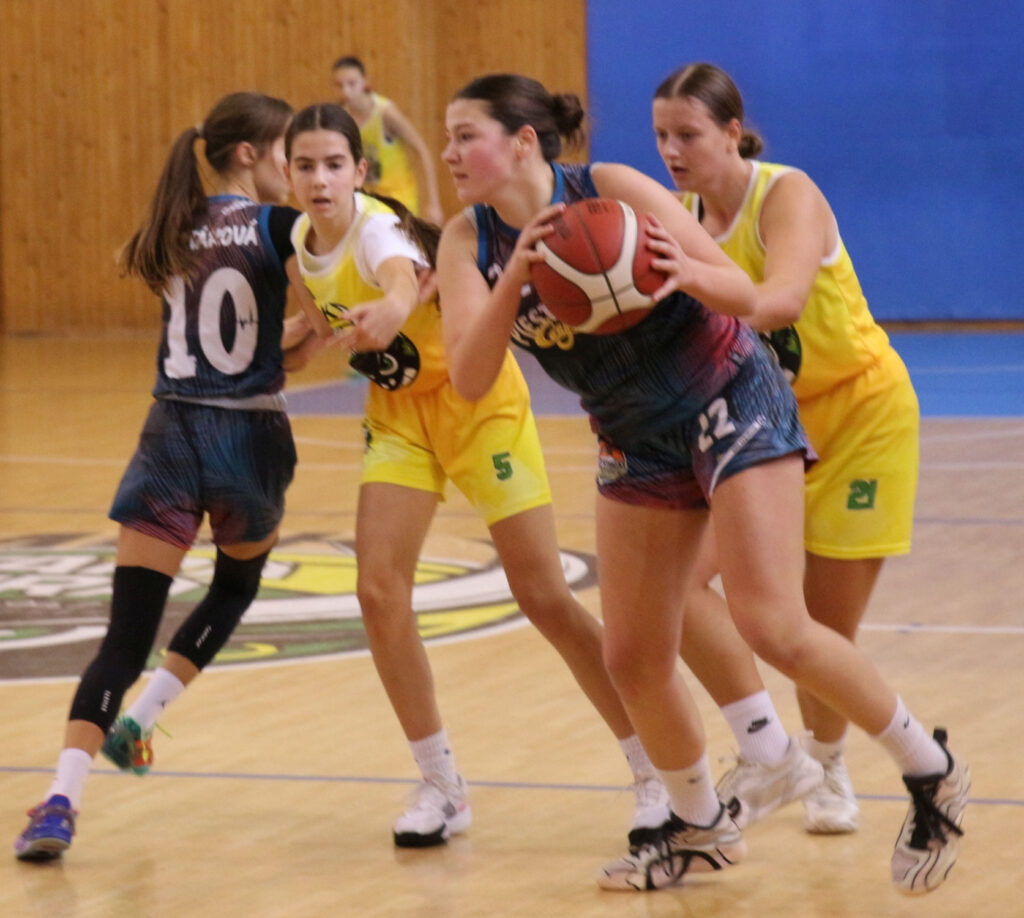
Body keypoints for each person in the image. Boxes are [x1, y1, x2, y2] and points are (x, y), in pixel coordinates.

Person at [435, 72, 969, 895]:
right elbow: (470, 379)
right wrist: (517, 278)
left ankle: (930, 769)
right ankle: (702, 826)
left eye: (464, 135)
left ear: (524, 141)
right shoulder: (466, 242)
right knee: (633, 656)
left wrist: (680, 271)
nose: (448, 153)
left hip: (728, 393)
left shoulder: (610, 188)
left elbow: (747, 292)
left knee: (772, 621)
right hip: (633, 434)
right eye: (449, 138)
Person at [282, 102, 670, 849]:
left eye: (334, 165)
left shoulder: (379, 231)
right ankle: (442, 785)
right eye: (305, 166)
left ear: (360, 171)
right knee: (378, 592)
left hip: (478, 407)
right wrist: (289, 348)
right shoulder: (301, 247)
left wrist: (395, 306)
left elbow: (399, 282)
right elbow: (324, 335)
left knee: (545, 596)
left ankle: (653, 766)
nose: (320, 179)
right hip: (401, 418)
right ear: (287, 173)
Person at [13, 91, 317, 861]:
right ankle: (142, 721)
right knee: (235, 587)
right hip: (246, 438)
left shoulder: (172, 225)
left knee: (124, 637)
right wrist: (324, 326)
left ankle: (59, 801)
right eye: (286, 152)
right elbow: (310, 328)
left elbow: (225, 334)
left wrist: (280, 341)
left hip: (171, 436)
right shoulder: (280, 225)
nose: (293, 167)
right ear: (249, 154)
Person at [652, 62, 924, 836]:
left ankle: (829, 764)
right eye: (661, 135)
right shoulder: (677, 217)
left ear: (732, 132)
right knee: (677, 586)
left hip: (861, 417)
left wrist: (690, 279)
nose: (671, 150)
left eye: (688, 134)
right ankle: (771, 749)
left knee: (820, 626)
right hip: (763, 428)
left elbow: (781, 301)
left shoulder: (786, 194)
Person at [331, 55, 444, 226]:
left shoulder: (385, 113)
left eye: (352, 83)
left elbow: (422, 150)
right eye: (340, 85)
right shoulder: (342, 117)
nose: (345, 91)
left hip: (399, 198)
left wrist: (434, 203)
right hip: (368, 198)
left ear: (365, 82)